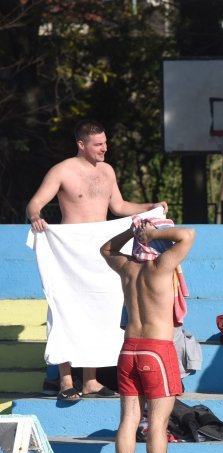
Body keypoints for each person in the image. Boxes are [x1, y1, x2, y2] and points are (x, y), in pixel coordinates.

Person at [26, 120, 167, 401]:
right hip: (69, 250)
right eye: (98, 144)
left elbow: (119, 207)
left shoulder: (107, 171)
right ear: (81, 144)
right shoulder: (62, 170)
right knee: (65, 308)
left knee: (100, 308)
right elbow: (35, 202)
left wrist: (149, 207)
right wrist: (35, 217)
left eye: (105, 142)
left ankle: (91, 380)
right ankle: (66, 380)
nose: (105, 148)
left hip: (101, 248)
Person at [100, 219, 196, 453]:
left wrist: (132, 233)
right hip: (157, 350)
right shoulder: (162, 266)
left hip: (129, 348)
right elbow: (187, 234)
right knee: (157, 422)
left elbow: (106, 249)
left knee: (128, 419)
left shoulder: (127, 268)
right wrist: (153, 233)